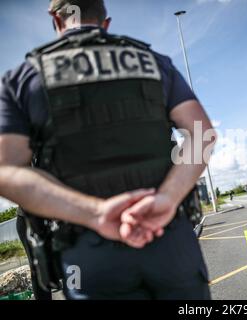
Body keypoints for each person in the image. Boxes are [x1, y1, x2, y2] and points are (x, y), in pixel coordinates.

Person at [0, 0, 215, 300]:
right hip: (169, 237)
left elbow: (8, 170)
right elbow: (202, 134)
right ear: (106, 22)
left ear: (55, 20)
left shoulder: (23, 79)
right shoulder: (154, 62)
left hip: (87, 250)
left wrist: (96, 213)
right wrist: (168, 197)